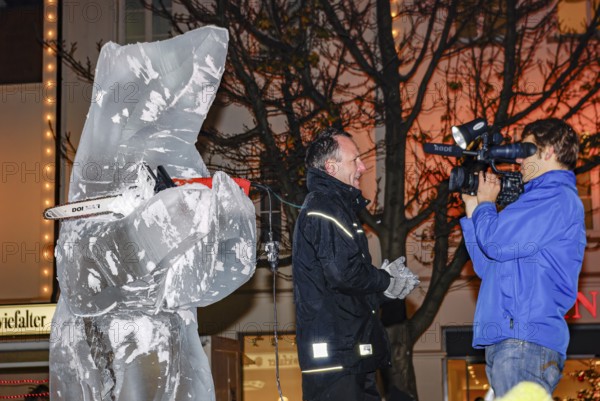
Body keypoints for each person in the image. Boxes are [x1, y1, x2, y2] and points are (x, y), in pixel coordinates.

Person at [460, 118, 586, 397]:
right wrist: (473, 209)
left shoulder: (555, 197)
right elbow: (487, 265)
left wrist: (487, 207)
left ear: (549, 151)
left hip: (524, 341)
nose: (517, 159)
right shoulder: (537, 200)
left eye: (526, 149)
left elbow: (495, 241)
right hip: (512, 340)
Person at [293, 128, 419, 401]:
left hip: (348, 354)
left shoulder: (336, 208)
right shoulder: (324, 208)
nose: (363, 167)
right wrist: (386, 280)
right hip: (337, 359)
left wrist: (383, 291)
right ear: (331, 167)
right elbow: (343, 273)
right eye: (355, 160)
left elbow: (345, 288)